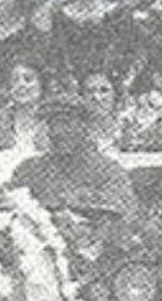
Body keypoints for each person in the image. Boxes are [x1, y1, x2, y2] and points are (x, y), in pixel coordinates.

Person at [10, 94, 138, 220]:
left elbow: (123, 213)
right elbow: (7, 197)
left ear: (85, 127)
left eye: (67, 123)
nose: (57, 131)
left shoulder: (108, 171)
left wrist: (74, 201)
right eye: (52, 124)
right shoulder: (30, 169)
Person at [41, 0, 132, 88]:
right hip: (71, 87)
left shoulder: (118, 14)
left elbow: (129, 51)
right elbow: (54, 53)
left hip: (110, 86)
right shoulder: (61, 16)